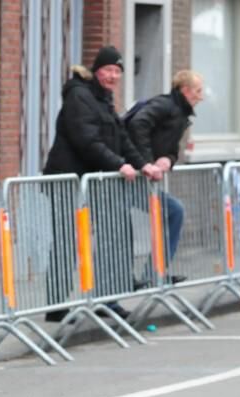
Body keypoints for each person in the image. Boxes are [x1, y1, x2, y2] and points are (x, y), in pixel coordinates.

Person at [43, 45, 162, 322]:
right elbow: (86, 140)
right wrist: (118, 164)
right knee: (65, 242)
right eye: (108, 70)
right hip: (67, 181)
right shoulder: (79, 96)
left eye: (117, 71)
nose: (113, 76)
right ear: (96, 71)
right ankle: (56, 308)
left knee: (112, 236)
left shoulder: (104, 99)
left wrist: (143, 164)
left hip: (94, 182)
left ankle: (107, 300)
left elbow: (122, 138)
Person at [125, 69, 204, 282]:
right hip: (128, 176)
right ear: (185, 90)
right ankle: (141, 277)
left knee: (173, 211)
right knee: (171, 211)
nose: (201, 97)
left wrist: (168, 159)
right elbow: (138, 124)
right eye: (198, 91)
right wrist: (147, 163)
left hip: (138, 175)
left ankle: (153, 273)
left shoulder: (179, 113)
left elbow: (170, 147)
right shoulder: (164, 105)